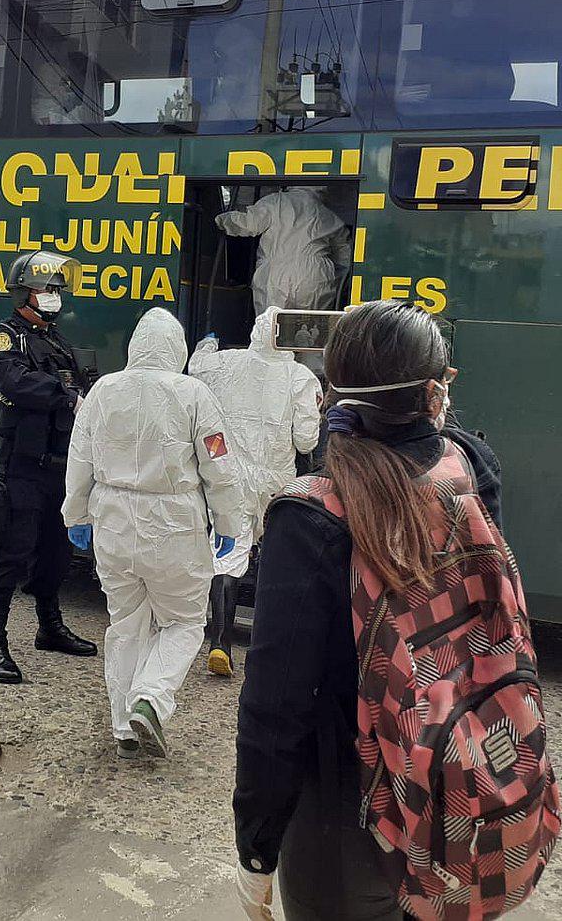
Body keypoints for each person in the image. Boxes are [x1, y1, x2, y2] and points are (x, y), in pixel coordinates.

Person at [232, 301, 503, 921]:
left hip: (345, 813)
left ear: (334, 392)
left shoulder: (311, 517)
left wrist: (257, 845)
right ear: (435, 393)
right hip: (461, 779)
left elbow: (276, 705)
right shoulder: (470, 470)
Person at [62, 307, 245, 759]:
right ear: (178, 348)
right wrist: (229, 524)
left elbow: (78, 459)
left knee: (126, 623)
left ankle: (123, 724)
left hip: (113, 523)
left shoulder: (103, 390)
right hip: (174, 525)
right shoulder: (194, 394)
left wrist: (76, 516)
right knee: (183, 622)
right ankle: (151, 699)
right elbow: (218, 467)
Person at [0, 251, 99, 685]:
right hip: (22, 465)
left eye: (57, 290)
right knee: (12, 552)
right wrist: (67, 397)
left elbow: (82, 384)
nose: (54, 296)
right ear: (24, 291)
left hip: (61, 467)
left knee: (55, 552)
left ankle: (50, 627)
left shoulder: (57, 340)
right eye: (46, 289)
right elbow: (14, 382)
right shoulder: (5, 337)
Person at [187, 308, 321, 676]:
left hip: (232, 477)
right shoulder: (301, 378)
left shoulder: (225, 363)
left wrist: (207, 343)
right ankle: (270, 650)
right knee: (277, 559)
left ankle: (220, 645)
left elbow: (195, 369)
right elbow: (306, 440)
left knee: (228, 555)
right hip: (275, 481)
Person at [215, 186, 348, 316]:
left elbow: (249, 223)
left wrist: (221, 220)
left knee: (270, 325)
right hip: (315, 275)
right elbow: (345, 257)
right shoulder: (329, 215)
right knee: (312, 327)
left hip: (277, 272)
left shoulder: (276, 202)